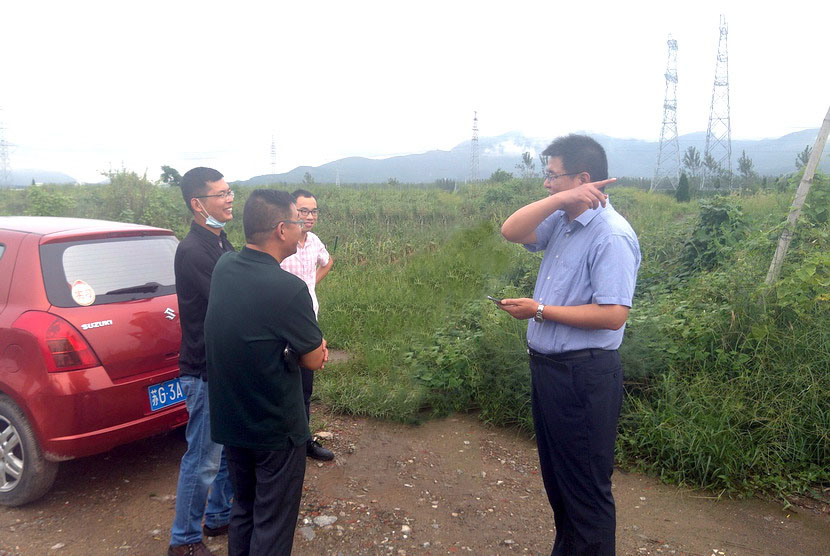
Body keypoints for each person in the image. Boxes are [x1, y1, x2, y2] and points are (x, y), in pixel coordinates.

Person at [498, 134, 641, 556]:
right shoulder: (563, 219)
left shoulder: (611, 235)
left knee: (585, 489)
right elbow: (511, 230)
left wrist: (540, 310)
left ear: (583, 179)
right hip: (550, 372)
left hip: (583, 375)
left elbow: (613, 314)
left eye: (553, 176)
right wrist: (562, 198)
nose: (546, 183)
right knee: (559, 482)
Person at [205, 189, 328, 556]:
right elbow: (314, 359)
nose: (303, 227)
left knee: (244, 509)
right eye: (297, 221)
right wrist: (298, 350)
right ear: (281, 229)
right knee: (273, 523)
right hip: (276, 428)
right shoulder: (288, 289)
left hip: (233, 420)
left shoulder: (224, 266)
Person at [169, 167, 236, 556]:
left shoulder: (220, 240)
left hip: (222, 368)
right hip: (204, 370)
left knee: (223, 451)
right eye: (221, 194)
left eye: (230, 191)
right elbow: (231, 299)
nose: (229, 199)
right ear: (198, 204)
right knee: (203, 459)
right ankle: (184, 540)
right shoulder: (194, 250)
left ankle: (218, 515)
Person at [279, 188, 335, 461]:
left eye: (314, 211)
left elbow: (328, 261)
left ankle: (304, 442)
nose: (310, 216)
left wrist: (310, 284)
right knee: (281, 386)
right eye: (303, 211)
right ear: (291, 212)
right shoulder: (281, 244)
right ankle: (282, 444)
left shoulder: (314, 242)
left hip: (308, 324)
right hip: (281, 327)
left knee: (304, 387)